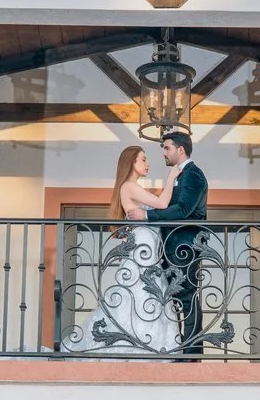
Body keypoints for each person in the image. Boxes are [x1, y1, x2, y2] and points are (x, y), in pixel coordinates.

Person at [62, 145, 181, 354]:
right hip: (142, 252)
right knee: (137, 294)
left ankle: (147, 345)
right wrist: (171, 177)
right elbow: (162, 204)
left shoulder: (135, 188)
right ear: (131, 163)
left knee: (147, 296)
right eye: (143, 159)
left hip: (149, 253)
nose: (148, 163)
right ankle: (133, 345)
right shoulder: (128, 186)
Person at [146, 129, 210, 354]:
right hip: (173, 246)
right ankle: (179, 346)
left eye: (167, 148)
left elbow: (183, 210)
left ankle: (192, 351)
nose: (163, 152)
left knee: (186, 295)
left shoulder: (193, 174)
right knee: (175, 297)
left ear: (180, 149)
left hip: (185, 246)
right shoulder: (179, 174)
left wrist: (147, 216)